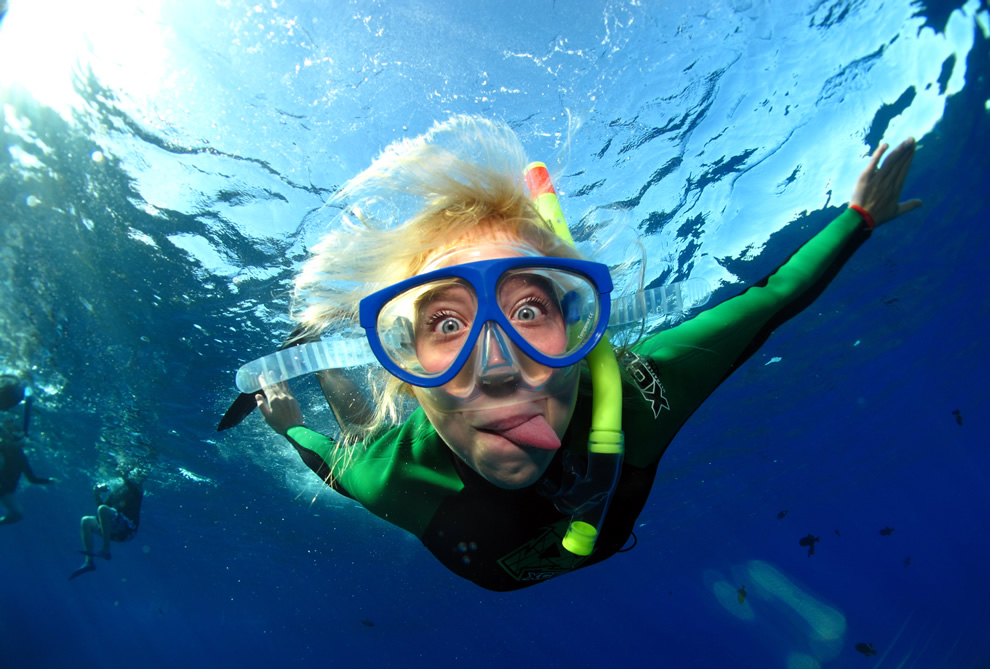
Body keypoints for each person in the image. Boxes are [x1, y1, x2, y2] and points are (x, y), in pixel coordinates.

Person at [220, 115, 921, 591]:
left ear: (578, 323)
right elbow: (332, 459)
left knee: (358, 439)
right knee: (360, 433)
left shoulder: (641, 390)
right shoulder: (399, 476)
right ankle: (341, 351)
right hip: (422, 446)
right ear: (408, 363)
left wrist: (859, 218)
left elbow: (770, 299)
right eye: (445, 324)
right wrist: (286, 423)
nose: (496, 364)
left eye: (529, 310)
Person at [70, 470, 145, 579]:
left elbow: (104, 510)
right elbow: (102, 513)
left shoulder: (137, 489)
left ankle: (106, 550)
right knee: (86, 521)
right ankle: (89, 562)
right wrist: (96, 494)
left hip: (128, 530)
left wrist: (123, 474)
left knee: (103, 510)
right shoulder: (118, 490)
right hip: (116, 530)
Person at [0, 418, 51, 525]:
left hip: (6, 490)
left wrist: (48, 480)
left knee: (17, 514)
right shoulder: (4, 447)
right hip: (4, 488)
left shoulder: (22, 458)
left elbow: (32, 479)